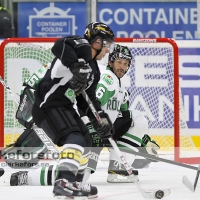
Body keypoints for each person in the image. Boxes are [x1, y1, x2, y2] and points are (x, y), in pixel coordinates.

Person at [2, 44, 159, 190]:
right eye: (119, 62)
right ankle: (25, 177)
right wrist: (91, 130)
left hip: (96, 133)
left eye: (125, 64)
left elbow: (124, 118)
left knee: (136, 117)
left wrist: (144, 141)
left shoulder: (120, 90)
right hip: (87, 131)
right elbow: (87, 105)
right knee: (78, 177)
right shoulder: (107, 79)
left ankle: (118, 170)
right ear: (111, 62)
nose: (122, 67)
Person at [2, 21, 115, 199]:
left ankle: (76, 182)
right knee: (74, 137)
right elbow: (60, 45)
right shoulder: (82, 46)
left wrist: (100, 118)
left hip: (63, 106)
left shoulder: (94, 70)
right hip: (47, 104)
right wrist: (75, 66)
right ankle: (64, 182)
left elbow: (87, 100)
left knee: (86, 139)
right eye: (106, 44)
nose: (108, 49)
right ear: (97, 41)